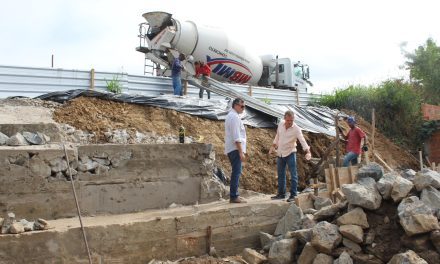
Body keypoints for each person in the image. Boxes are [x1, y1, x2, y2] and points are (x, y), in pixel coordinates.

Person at [269, 110, 311, 202]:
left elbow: (302, 140)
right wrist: (273, 145)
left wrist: (308, 152)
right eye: (288, 120)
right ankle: (281, 194)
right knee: (281, 174)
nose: (290, 122)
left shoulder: (296, 129)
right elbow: (278, 135)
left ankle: (293, 195)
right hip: (280, 153)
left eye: (291, 120)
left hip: (290, 153)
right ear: (284, 119)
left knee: (293, 175)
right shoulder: (280, 124)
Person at [224, 98, 247, 203]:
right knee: (236, 172)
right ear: (236, 105)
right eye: (242, 106)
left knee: (236, 172)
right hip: (235, 149)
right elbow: (236, 136)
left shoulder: (232, 116)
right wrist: (241, 152)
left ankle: (235, 195)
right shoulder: (234, 117)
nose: (243, 108)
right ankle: (234, 196)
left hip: (233, 149)